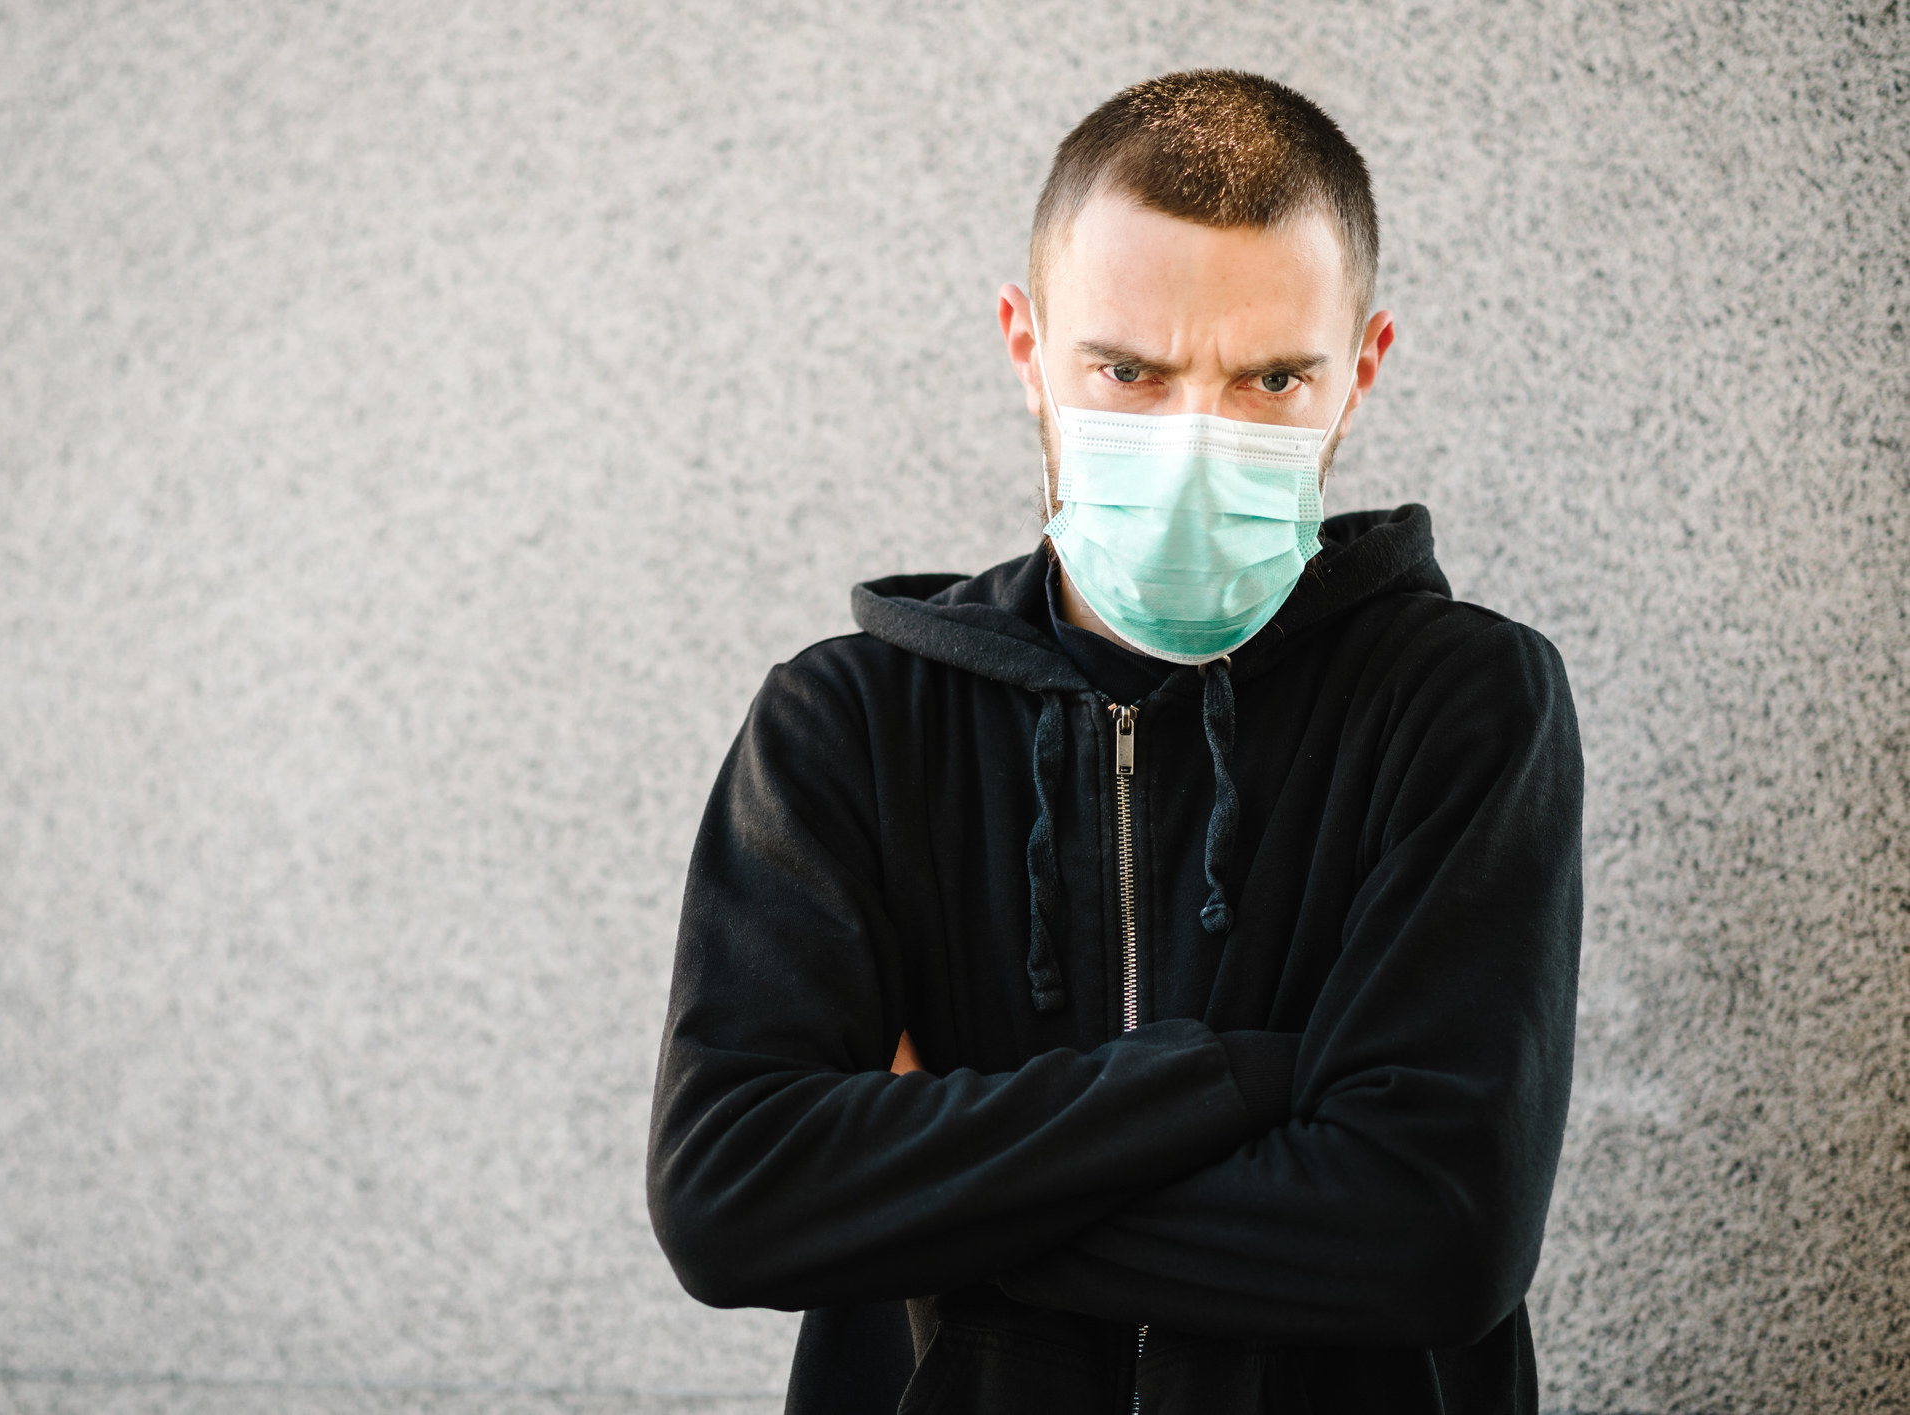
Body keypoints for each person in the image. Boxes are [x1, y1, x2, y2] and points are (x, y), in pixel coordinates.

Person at [646, 69, 1583, 1415]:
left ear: (1360, 372)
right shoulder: (848, 724)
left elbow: (1434, 1238)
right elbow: (734, 1198)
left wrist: (928, 1188)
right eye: (1127, 371)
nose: (1194, 441)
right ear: (1028, 348)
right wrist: (1236, 1079)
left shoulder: (1463, 706)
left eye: (1271, 379)